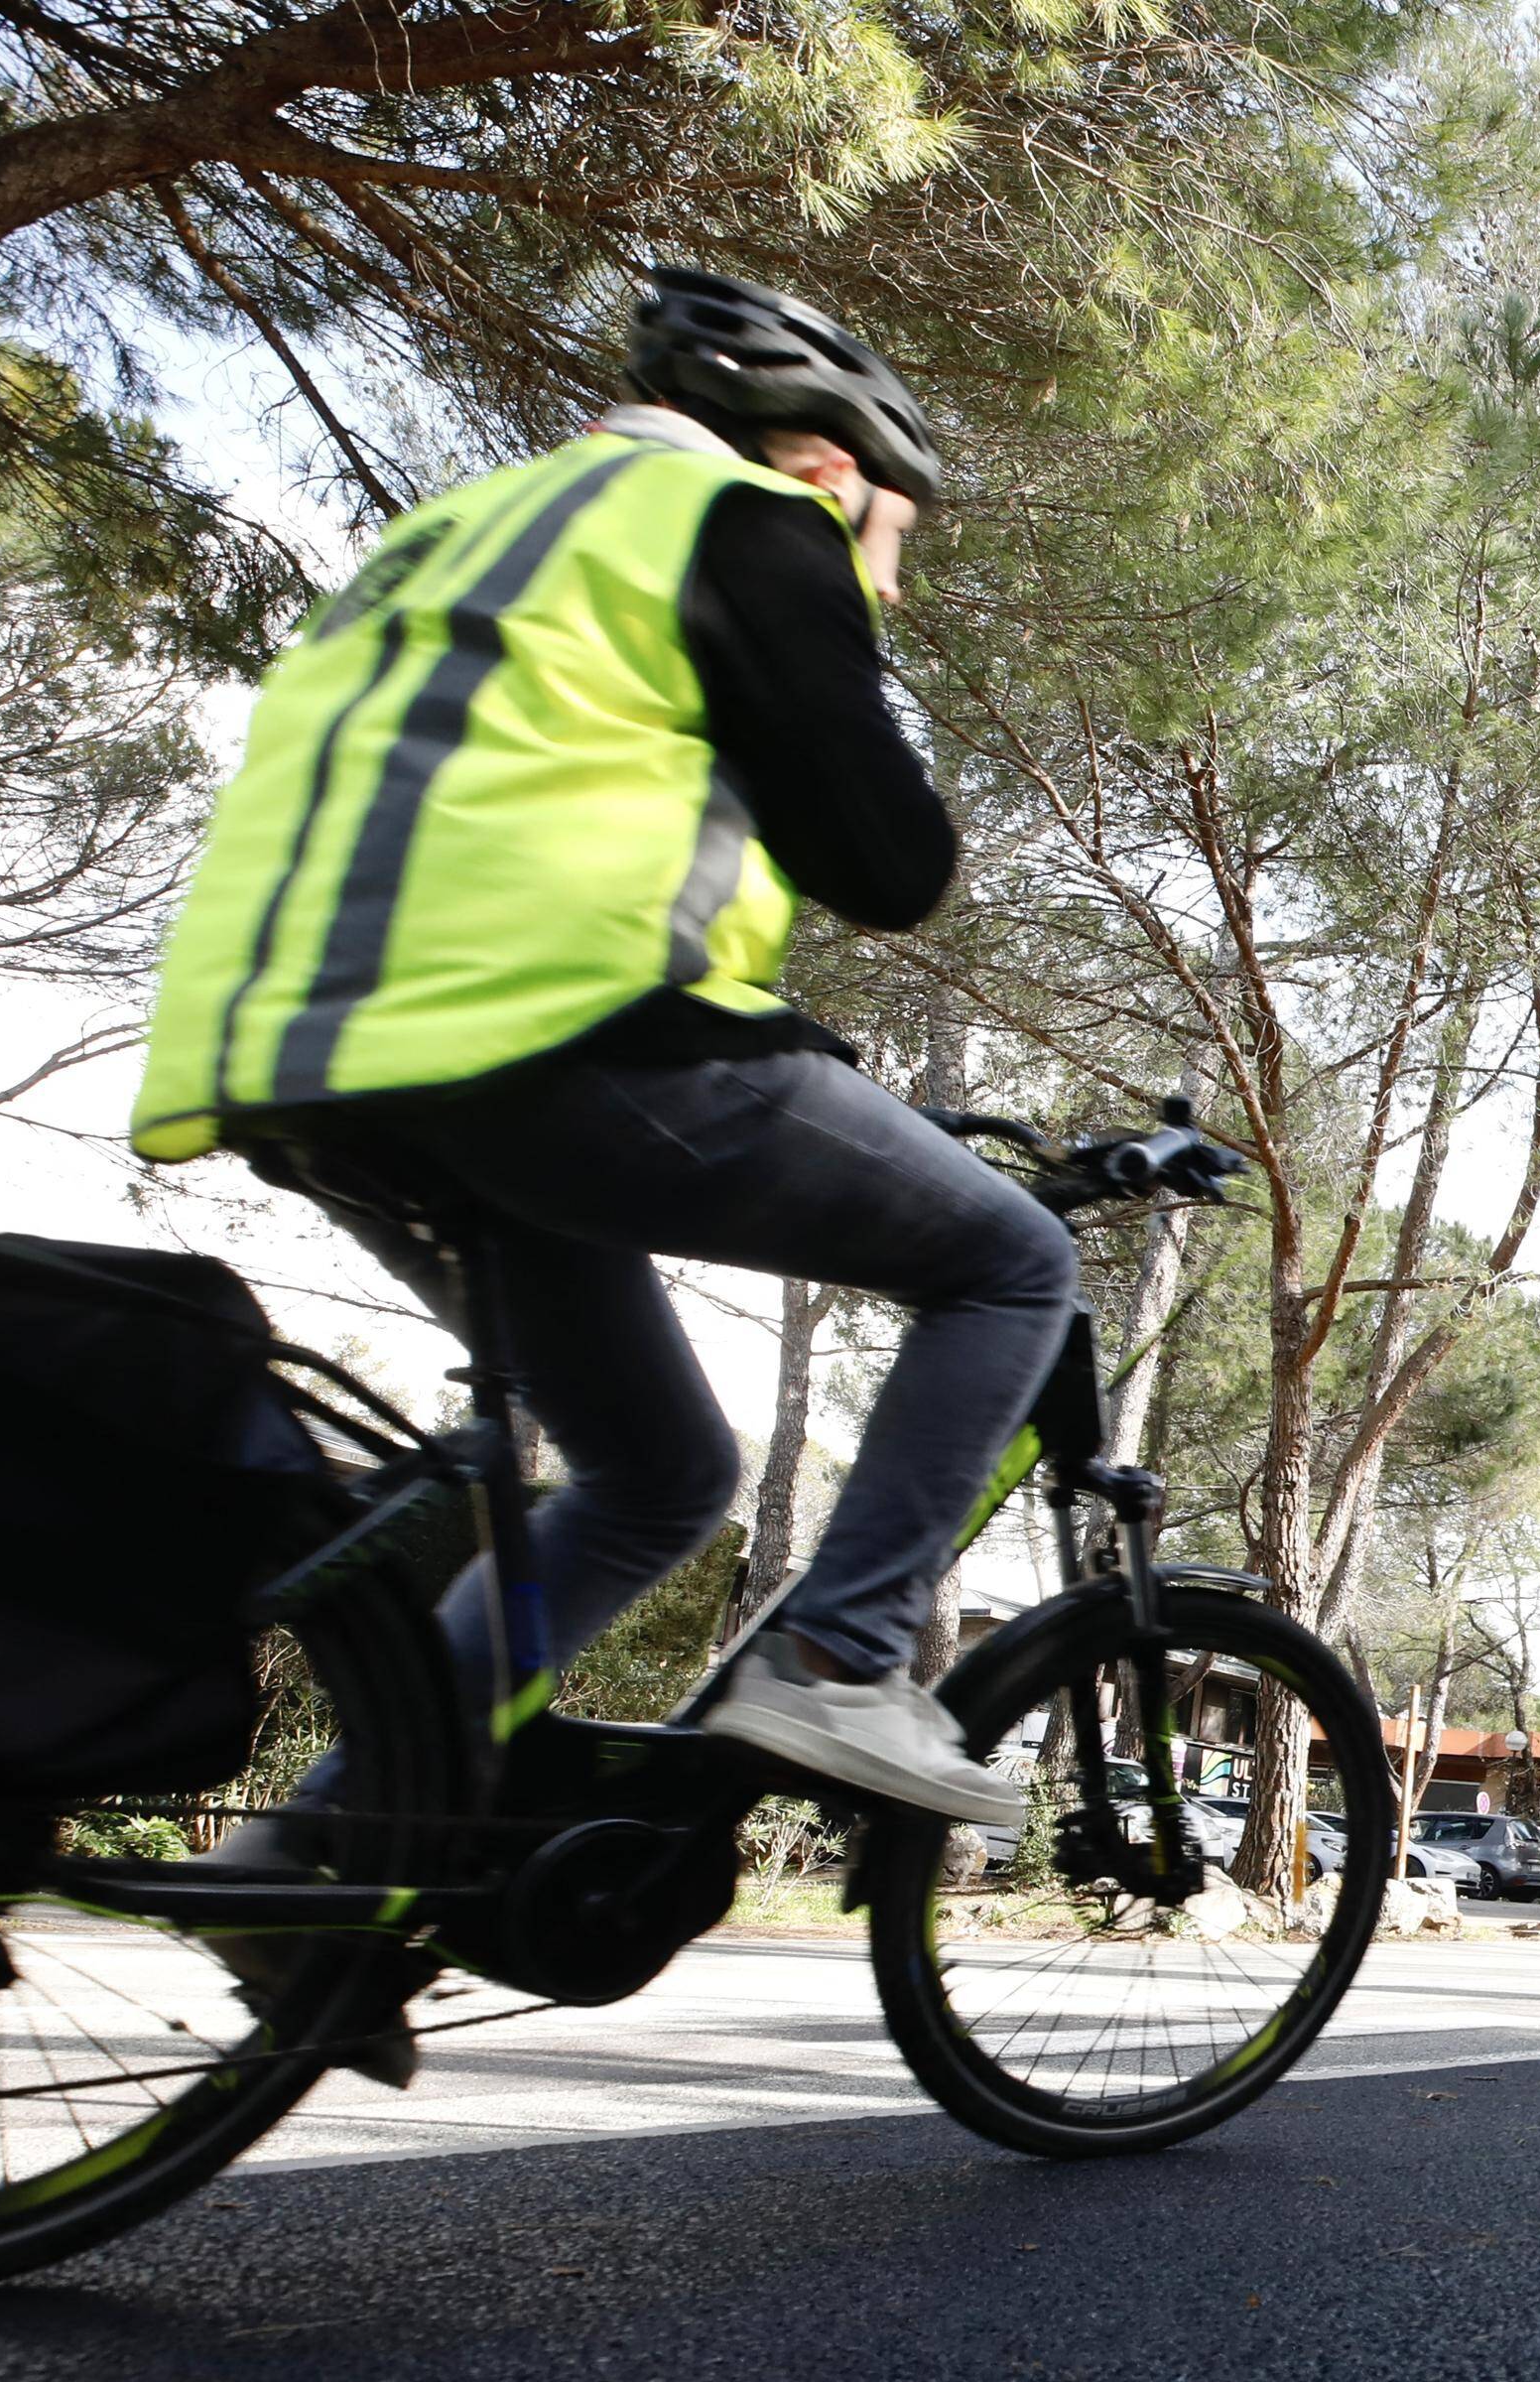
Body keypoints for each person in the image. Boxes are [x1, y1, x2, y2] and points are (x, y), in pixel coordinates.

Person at [133, 265, 1059, 1836]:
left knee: (654, 1475)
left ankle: (324, 1844)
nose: (884, 574)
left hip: (295, 1064)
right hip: (563, 1038)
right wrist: (845, 595)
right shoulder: (755, 523)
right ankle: (837, 1657)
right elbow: (893, 866)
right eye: (891, 526)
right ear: (828, 457)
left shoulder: (447, 531)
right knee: (1012, 1266)